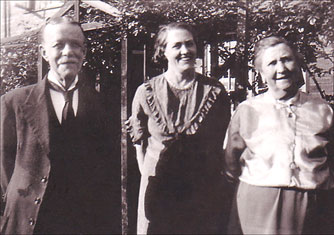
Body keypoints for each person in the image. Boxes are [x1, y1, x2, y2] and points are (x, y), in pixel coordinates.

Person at [0, 16, 119, 234]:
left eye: (76, 45)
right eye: (59, 45)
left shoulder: (103, 104)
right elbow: (5, 166)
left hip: (83, 221)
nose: (68, 52)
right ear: (44, 52)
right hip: (30, 220)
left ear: (84, 52)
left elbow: (107, 170)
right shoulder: (14, 102)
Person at [224, 36, 334, 234]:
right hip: (259, 202)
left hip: (313, 203)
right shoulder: (247, 110)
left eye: (286, 59)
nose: (281, 69)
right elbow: (230, 162)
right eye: (272, 63)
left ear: (298, 64)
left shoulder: (322, 110)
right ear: (261, 73)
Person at [127, 22, 231, 234]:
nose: (185, 51)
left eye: (189, 44)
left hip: (201, 190)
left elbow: (223, 140)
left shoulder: (215, 91)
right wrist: (150, 177)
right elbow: (139, 143)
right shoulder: (145, 92)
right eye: (177, 46)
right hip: (158, 190)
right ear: (163, 51)